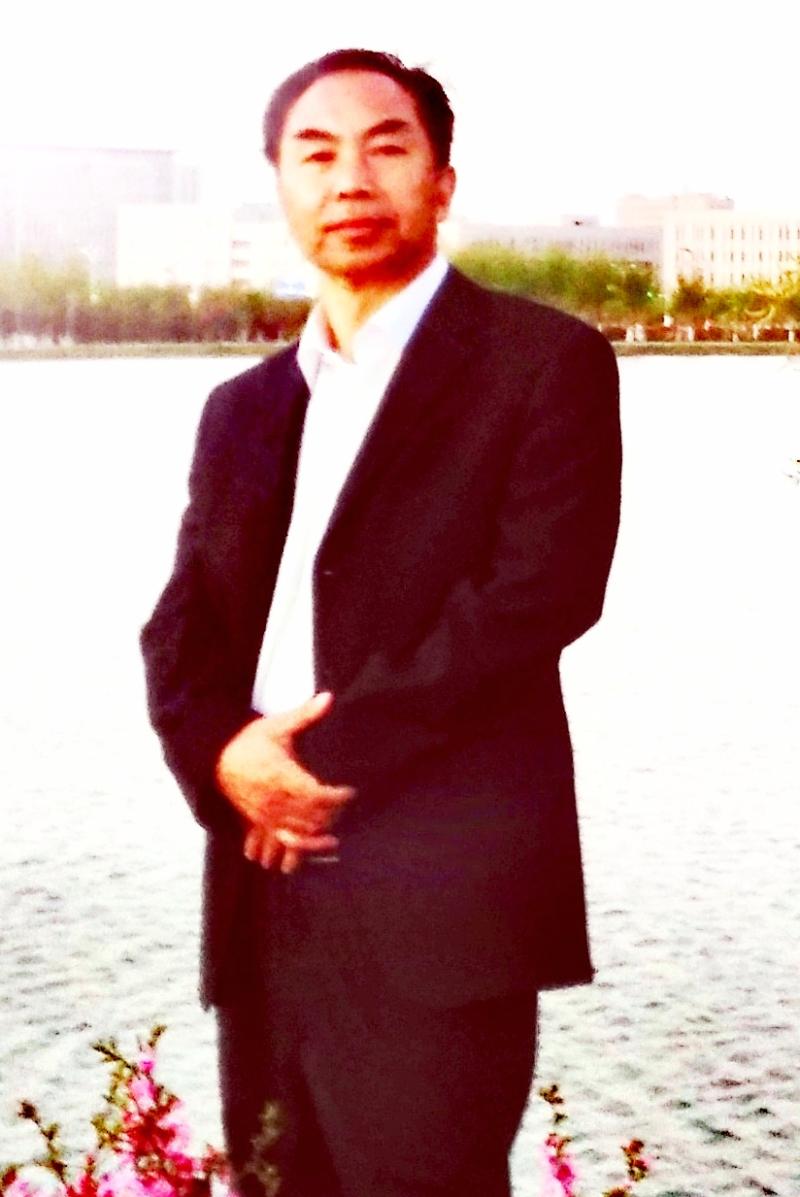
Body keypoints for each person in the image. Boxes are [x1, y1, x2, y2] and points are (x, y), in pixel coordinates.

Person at [141, 48, 622, 1197]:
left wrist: (304, 769)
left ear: (440, 181)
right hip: (261, 902)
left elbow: (534, 600)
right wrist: (226, 762)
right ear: (280, 186)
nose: (348, 178)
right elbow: (180, 637)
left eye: (384, 147)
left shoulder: (541, 363)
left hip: (437, 913)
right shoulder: (242, 408)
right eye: (314, 154)